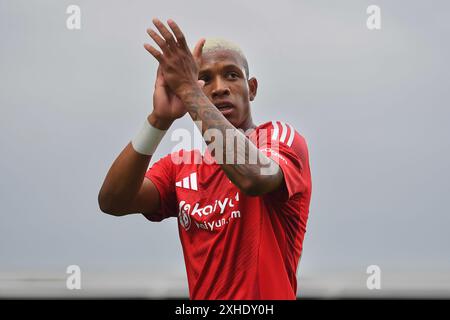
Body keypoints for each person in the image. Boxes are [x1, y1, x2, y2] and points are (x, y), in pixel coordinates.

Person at [98, 18, 312, 300]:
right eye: (205, 79)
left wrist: (189, 89)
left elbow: (252, 178)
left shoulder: (279, 138)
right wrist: (158, 121)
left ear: (253, 88)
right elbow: (113, 201)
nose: (220, 87)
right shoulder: (181, 166)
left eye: (232, 75)